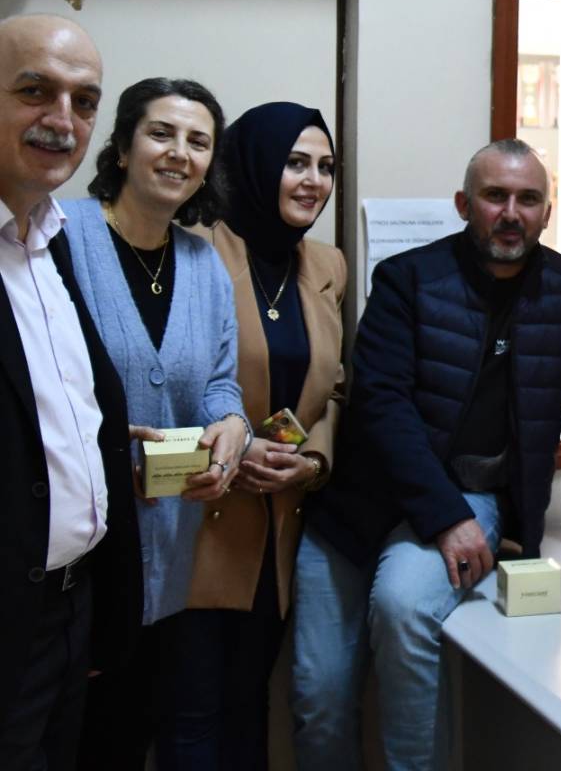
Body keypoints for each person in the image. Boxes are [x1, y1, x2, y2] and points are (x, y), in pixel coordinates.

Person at [292, 138, 561, 770]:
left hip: (475, 494)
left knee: (404, 607)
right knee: (319, 697)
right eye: (494, 196)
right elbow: (381, 404)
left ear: (546, 212)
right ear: (464, 204)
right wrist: (444, 516)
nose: (511, 213)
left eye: (528, 199)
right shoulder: (406, 279)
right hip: (359, 503)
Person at [66, 77, 249, 769]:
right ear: (121, 147)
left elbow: (221, 382)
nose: (179, 153)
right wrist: (105, 444)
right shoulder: (58, 237)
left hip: (168, 558)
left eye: (198, 142)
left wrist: (232, 428)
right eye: (161, 133)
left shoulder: (204, 264)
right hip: (76, 559)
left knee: (129, 734)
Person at [158, 102, 343, 768]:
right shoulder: (190, 251)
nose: (313, 181)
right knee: (190, 721)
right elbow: (161, 385)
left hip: (277, 531)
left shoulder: (327, 265)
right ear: (255, 164)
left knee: (249, 712)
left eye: (326, 167)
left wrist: (312, 460)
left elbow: (334, 390)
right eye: (295, 163)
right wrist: (231, 448)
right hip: (195, 527)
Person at [0, 14, 139, 770]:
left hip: (69, 610)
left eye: (84, 102)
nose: (62, 120)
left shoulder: (50, 242)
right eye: (35, 91)